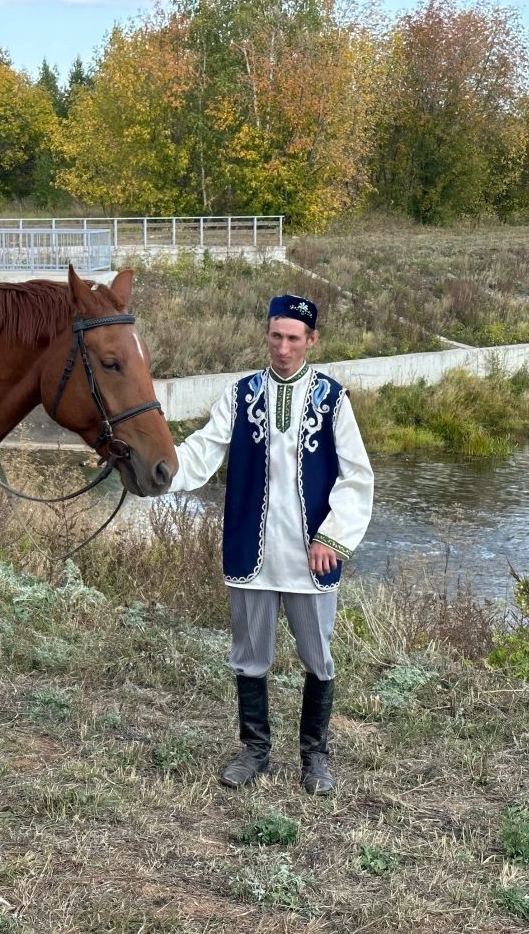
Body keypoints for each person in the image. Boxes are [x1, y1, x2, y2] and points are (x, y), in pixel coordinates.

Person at [169, 294, 373, 795]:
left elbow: (358, 476)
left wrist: (333, 537)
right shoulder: (241, 395)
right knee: (249, 655)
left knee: (318, 657)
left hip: (311, 556)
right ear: (267, 335)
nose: (284, 348)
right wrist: (159, 471)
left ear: (312, 341)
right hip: (251, 549)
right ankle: (255, 750)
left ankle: (315, 757)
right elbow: (204, 449)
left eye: (294, 339)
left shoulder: (331, 399)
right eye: (276, 336)